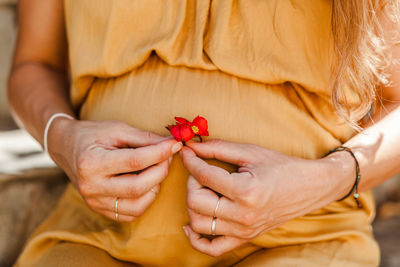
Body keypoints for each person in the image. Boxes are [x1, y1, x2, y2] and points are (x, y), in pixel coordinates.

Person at [8, 0, 400, 266]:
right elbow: (34, 64)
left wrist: (321, 180)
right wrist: (62, 139)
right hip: (96, 236)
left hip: (302, 238)